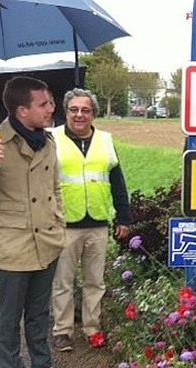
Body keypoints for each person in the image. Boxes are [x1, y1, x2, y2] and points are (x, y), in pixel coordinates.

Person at [0, 76, 80, 368]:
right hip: (14, 247)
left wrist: (60, 224)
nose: (52, 108)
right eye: (43, 104)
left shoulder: (49, 140)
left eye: (51, 102)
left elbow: (54, 187)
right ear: (21, 110)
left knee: (40, 313)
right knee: (10, 318)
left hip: (48, 243)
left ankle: (42, 366)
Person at [50, 88, 131, 351]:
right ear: (66, 112)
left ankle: (92, 327)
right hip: (65, 223)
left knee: (95, 281)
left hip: (97, 222)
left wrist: (124, 216)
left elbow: (118, 182)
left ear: (93, 113)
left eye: (85, 110)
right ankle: (62, 330)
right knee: (63, 281)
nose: (79, 115)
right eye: (74, 109)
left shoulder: (106, 141)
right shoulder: (52, 139)